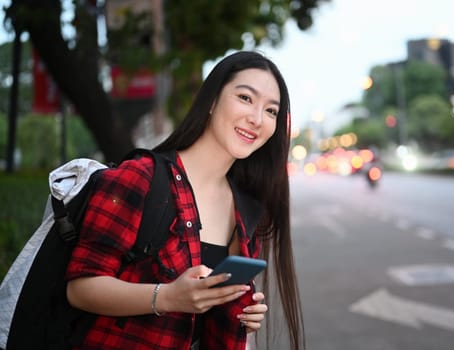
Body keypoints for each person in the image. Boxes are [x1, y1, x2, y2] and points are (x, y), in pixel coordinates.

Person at [65, 51, 305, 350]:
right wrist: (166, 297)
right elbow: (80, 288)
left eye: (271, 111)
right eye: (245, 98)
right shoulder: (141, 178)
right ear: (213, 100)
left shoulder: (248, 209)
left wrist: (240, 312)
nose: (257, 119)